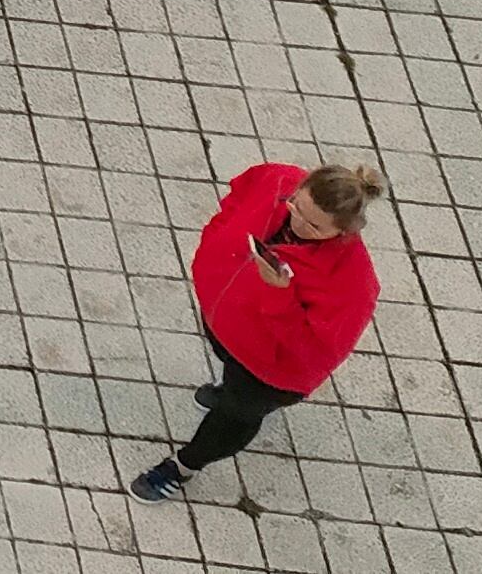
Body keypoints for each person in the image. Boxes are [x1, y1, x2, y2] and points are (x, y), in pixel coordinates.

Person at [132, 160, 383, 504]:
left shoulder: (353, 284)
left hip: (270, 372)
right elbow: (238, 195)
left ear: (344, 232)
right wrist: (215, 238)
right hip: (228, 323)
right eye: (295, 206)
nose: (297, 222)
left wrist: (278, 295)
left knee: (235, 417)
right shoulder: (280, 180)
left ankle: (183, 466)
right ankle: (225, 390)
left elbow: (312, 350)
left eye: (314, 226)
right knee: (226, 363)